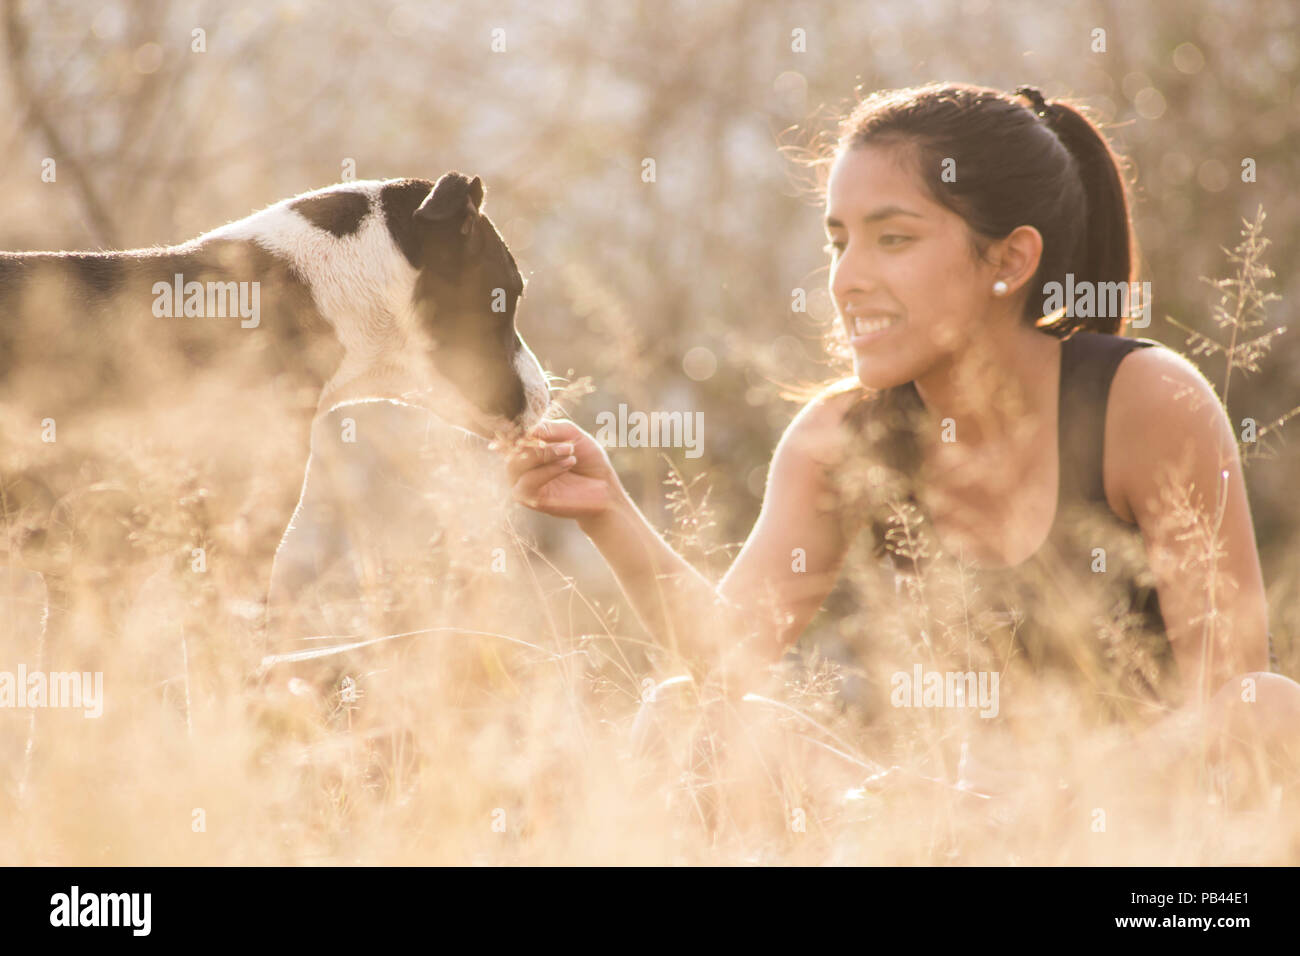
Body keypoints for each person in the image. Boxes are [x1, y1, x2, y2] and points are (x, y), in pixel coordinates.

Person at [501, 82, 1300, 802]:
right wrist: (607, 511)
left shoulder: (1145, 402)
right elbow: (727, 657)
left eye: (893, 239)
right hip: (951, 829)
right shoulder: (838, 437)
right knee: (688, 714)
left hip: (1137, 828)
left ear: (1012, 258)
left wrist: (1052, 817)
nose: (847, 278)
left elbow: (1227, 699)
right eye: (838, 241)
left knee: (1271, 709)